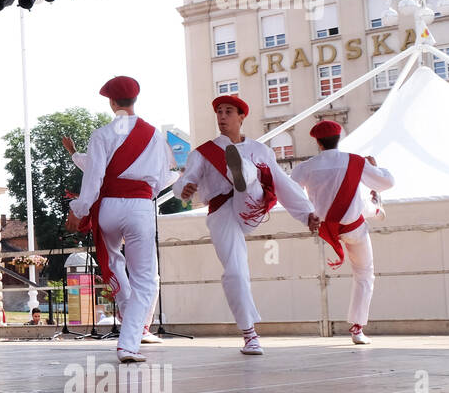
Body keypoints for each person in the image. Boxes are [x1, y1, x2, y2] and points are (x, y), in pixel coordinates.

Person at [174, 95, 320, 355]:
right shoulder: (202, 152)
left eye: (228, 111)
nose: (221, 116)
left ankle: (244, 172)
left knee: (253, 180)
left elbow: (283, 183)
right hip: (222, 212)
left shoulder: (261, 150)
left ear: (241, 116)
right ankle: (249, 334)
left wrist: (307, 212)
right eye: (219, 111)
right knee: (235, 271)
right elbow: (184, 181)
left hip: (252, 206)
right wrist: (183, 190)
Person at [64, 76, 177, 363]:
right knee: (145, 279)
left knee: (114, 260)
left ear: (112, 102)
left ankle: (128, 313)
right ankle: (129, 342)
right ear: (135, 100)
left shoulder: (102, 134)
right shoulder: (154, 135)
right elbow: (163, 179)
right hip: (139, 206)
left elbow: (93, 179)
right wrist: (143, 193)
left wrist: (79, 211)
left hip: (108, 207)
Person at [290, 120, 395, 345]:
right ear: (340, 138)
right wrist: (376, 167)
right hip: (353, 227)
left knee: (358, 203)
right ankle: (357, 328)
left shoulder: (306, 167)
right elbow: (388, 182)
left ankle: (373, 207)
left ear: (317, 143)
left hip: (325, 226)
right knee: (364, 274)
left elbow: (289, 192)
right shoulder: (354, 161)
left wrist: (307, 213)